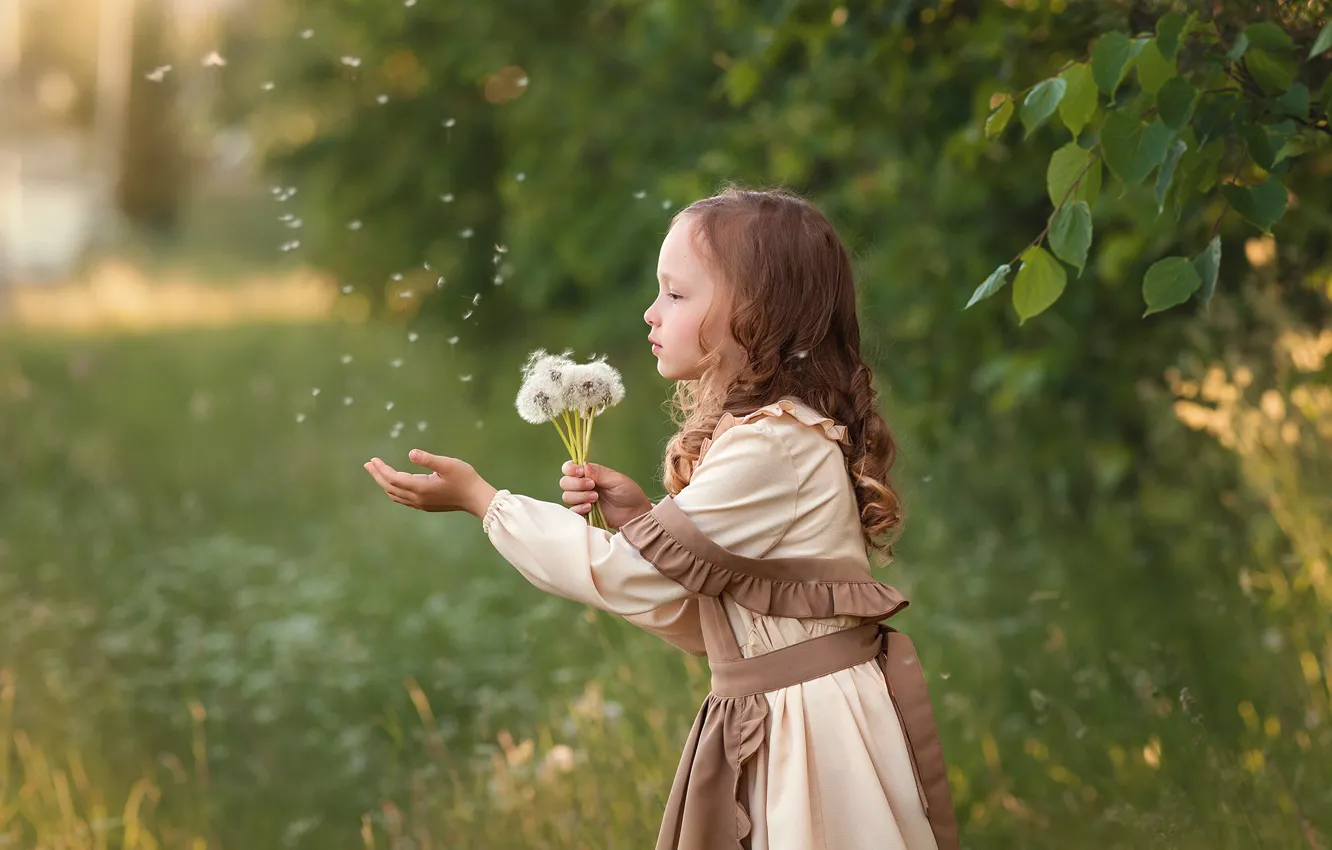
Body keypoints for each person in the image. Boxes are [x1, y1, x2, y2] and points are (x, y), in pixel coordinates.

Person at [363, 186, 959, 850]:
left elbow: (635, 580)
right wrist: (646, 521)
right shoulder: (761, 435)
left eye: (676, 295)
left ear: (756, 314)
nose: (651, 313)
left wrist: (485, 502)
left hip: (815, 736)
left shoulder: (775, 443)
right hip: (786, 717)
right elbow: (710, 616)